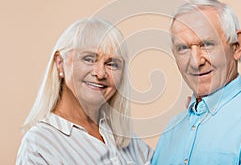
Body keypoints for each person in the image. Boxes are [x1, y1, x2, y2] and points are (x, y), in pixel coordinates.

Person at [152, 0, 241, 164]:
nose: (195, 62)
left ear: (237, 46)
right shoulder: (173, 129)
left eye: (207, 44)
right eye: (183, 48)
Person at [16, 18, 153, 164]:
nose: (100, 73)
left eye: (112, 64)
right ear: (60, 62)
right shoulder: (39, 144)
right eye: (88, 59)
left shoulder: (126, 138)